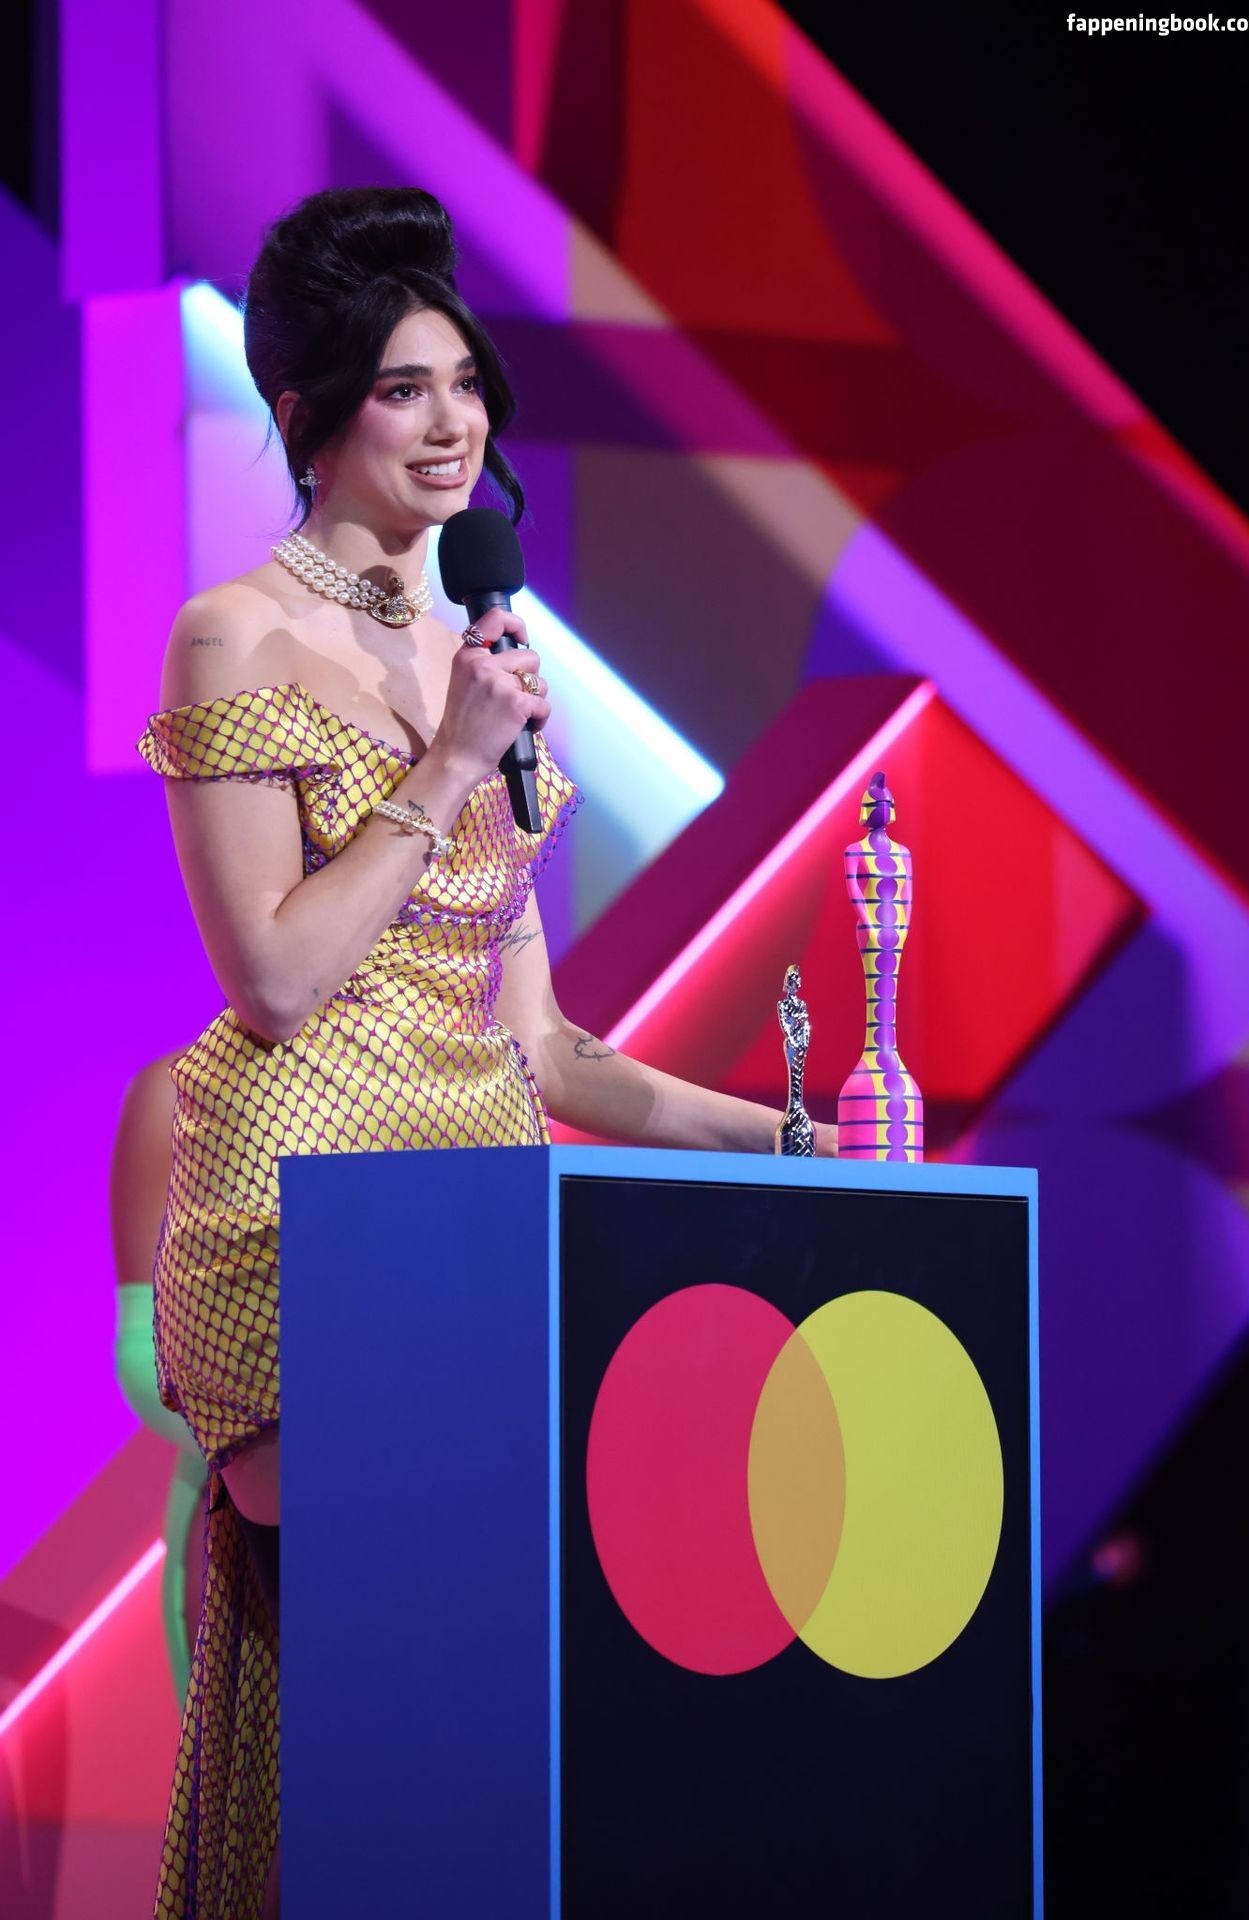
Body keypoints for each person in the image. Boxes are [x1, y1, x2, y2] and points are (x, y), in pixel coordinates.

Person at [137, 184, 837, 1920]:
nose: (452, 424)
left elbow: (547, 1046)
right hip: (304, 1216)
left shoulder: (484, 657)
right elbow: (277, 979)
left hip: (475, 1208)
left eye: (464, 383)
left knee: (498, 1683)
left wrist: (793, 1140)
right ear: (305, 412)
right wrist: (447, 767)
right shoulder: (235, 634)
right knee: (377, 1667)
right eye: (402, 389)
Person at [109, 1053, 207, 1710]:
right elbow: (144, 1355)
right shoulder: (178, 1094)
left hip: (431, 1510)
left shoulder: (462, 1084)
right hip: (244, 1511)